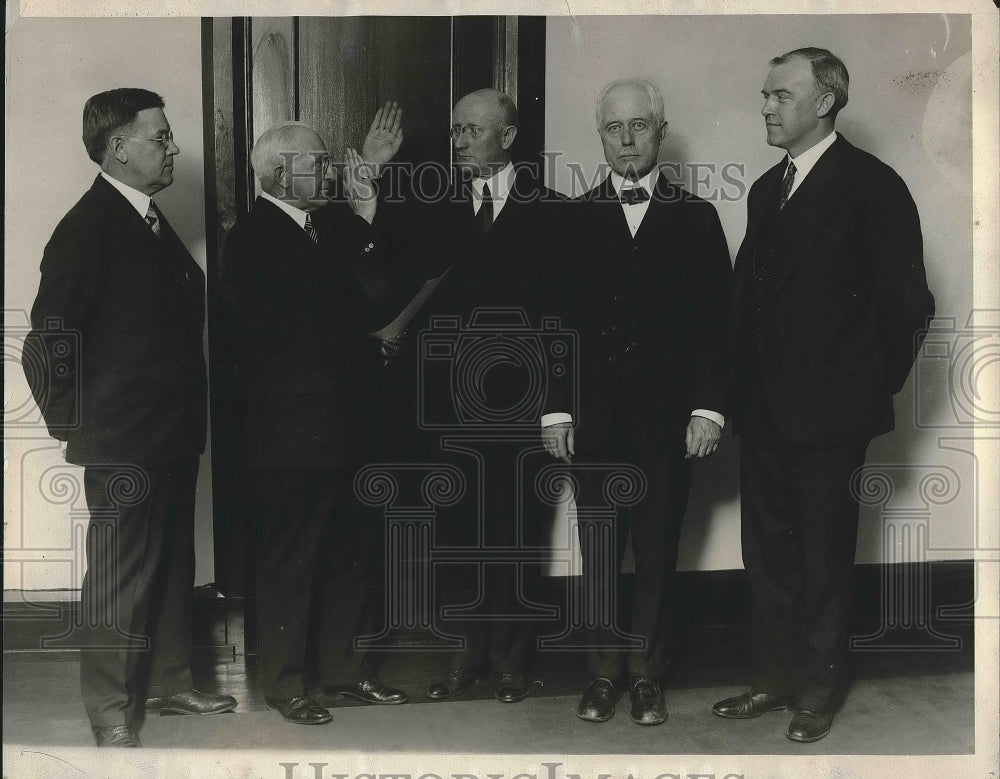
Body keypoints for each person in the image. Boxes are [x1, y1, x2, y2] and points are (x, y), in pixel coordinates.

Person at [713, 48, 934, 743]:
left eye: (780, 95)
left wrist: (862, 393)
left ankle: (816, 687)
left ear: (825, 102)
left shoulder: (874, 185)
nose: (766, 107)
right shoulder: (763, 189)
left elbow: (908, 306)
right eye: (764, 94)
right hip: (766, 410)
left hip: (832, 415)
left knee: (824, 553)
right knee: (768, 551)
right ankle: (772, 680)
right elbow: (746, 301)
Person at [21, 88, 237, 748]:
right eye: (161, 138)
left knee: (171, 562)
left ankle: (170, 683)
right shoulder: (88, 227)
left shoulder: (146, 217)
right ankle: (111, 712)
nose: (172, 149)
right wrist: (74, 426)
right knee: (121, 576)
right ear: (118, 148)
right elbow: (49, 337)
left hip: (168, 434)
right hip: (122, 439)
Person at [542, 79, 732, 726]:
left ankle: (647, 675)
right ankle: (602, 673)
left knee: (656, 551)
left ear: (660, 130)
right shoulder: (570, 219)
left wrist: (708, 409)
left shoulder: (697, 217)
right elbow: (554, 322)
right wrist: (556, 409)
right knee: (597, 554)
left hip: (666, 424)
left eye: (639, 126)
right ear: (600, 136)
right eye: (614, 128)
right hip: (591, 423)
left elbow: (717, 325)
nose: (627, 139)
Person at [381, 88, 566, 704]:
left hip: (523, 406)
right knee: (456, 533)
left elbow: (565, 319)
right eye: (456, 130)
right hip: (448, 408)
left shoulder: (553, 211)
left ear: (509, 137)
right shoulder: (428, 207)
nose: (459, 141)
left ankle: (513, 663)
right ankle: (464, 658)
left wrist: (554, 406)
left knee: (517, 534)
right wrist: (378, 167)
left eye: (474, 131)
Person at [224, 120, 407, 725]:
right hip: (293, 432)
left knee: (352, 554)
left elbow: (372, 297)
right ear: (279, 172)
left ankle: (345, 674)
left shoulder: (323, 227)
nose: (330, 169)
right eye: (319, 161)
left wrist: (363, 212)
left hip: (348, 423)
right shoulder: (253, 236)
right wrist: (362, 214)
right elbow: (326, 301)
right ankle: (284, 685)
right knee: (293, 558)